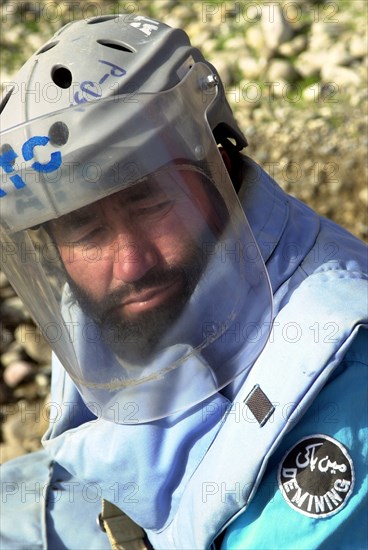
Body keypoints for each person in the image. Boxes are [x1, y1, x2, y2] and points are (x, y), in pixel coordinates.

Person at [0, 13, 367, 550]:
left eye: (151, 202)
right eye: (84, 228)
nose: (130, 264)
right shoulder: (132, 295)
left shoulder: (339, 371)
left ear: (218, 161)